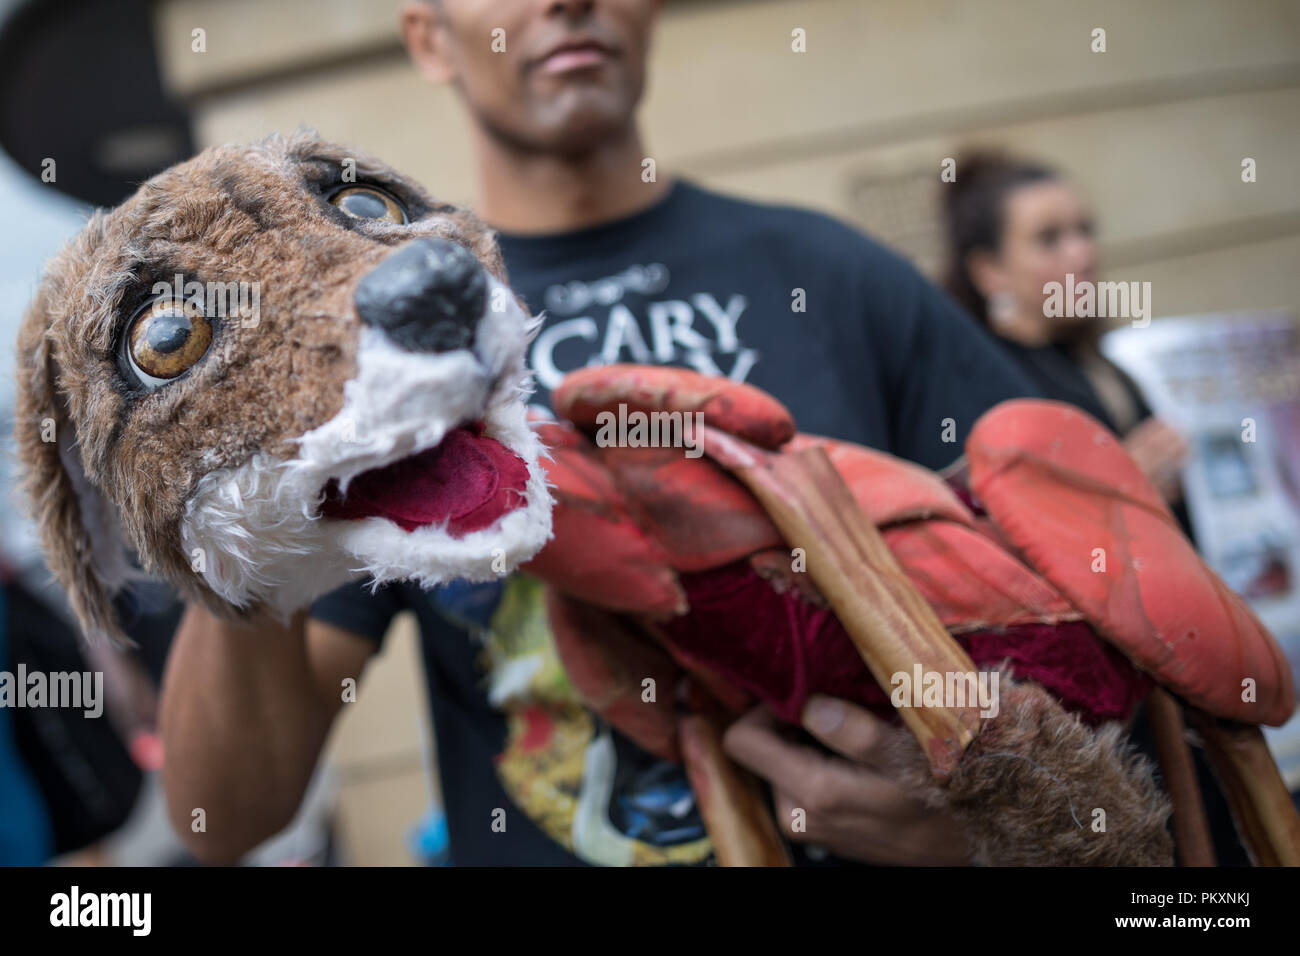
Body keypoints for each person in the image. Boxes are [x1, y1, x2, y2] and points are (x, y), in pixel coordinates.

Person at [161, 0, 1041, 867]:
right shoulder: (390, 333)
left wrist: (987, 826)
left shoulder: (833, 274)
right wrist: (245, 437)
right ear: (431, 37)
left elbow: (1069, 605)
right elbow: (222, 819)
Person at [941, 151, 1188, 503]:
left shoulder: (1099, 360)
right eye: (1049, 239)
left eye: (1085, 231)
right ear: (989, 270)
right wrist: (1117, 491)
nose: (1082, 255)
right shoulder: (985, 392)